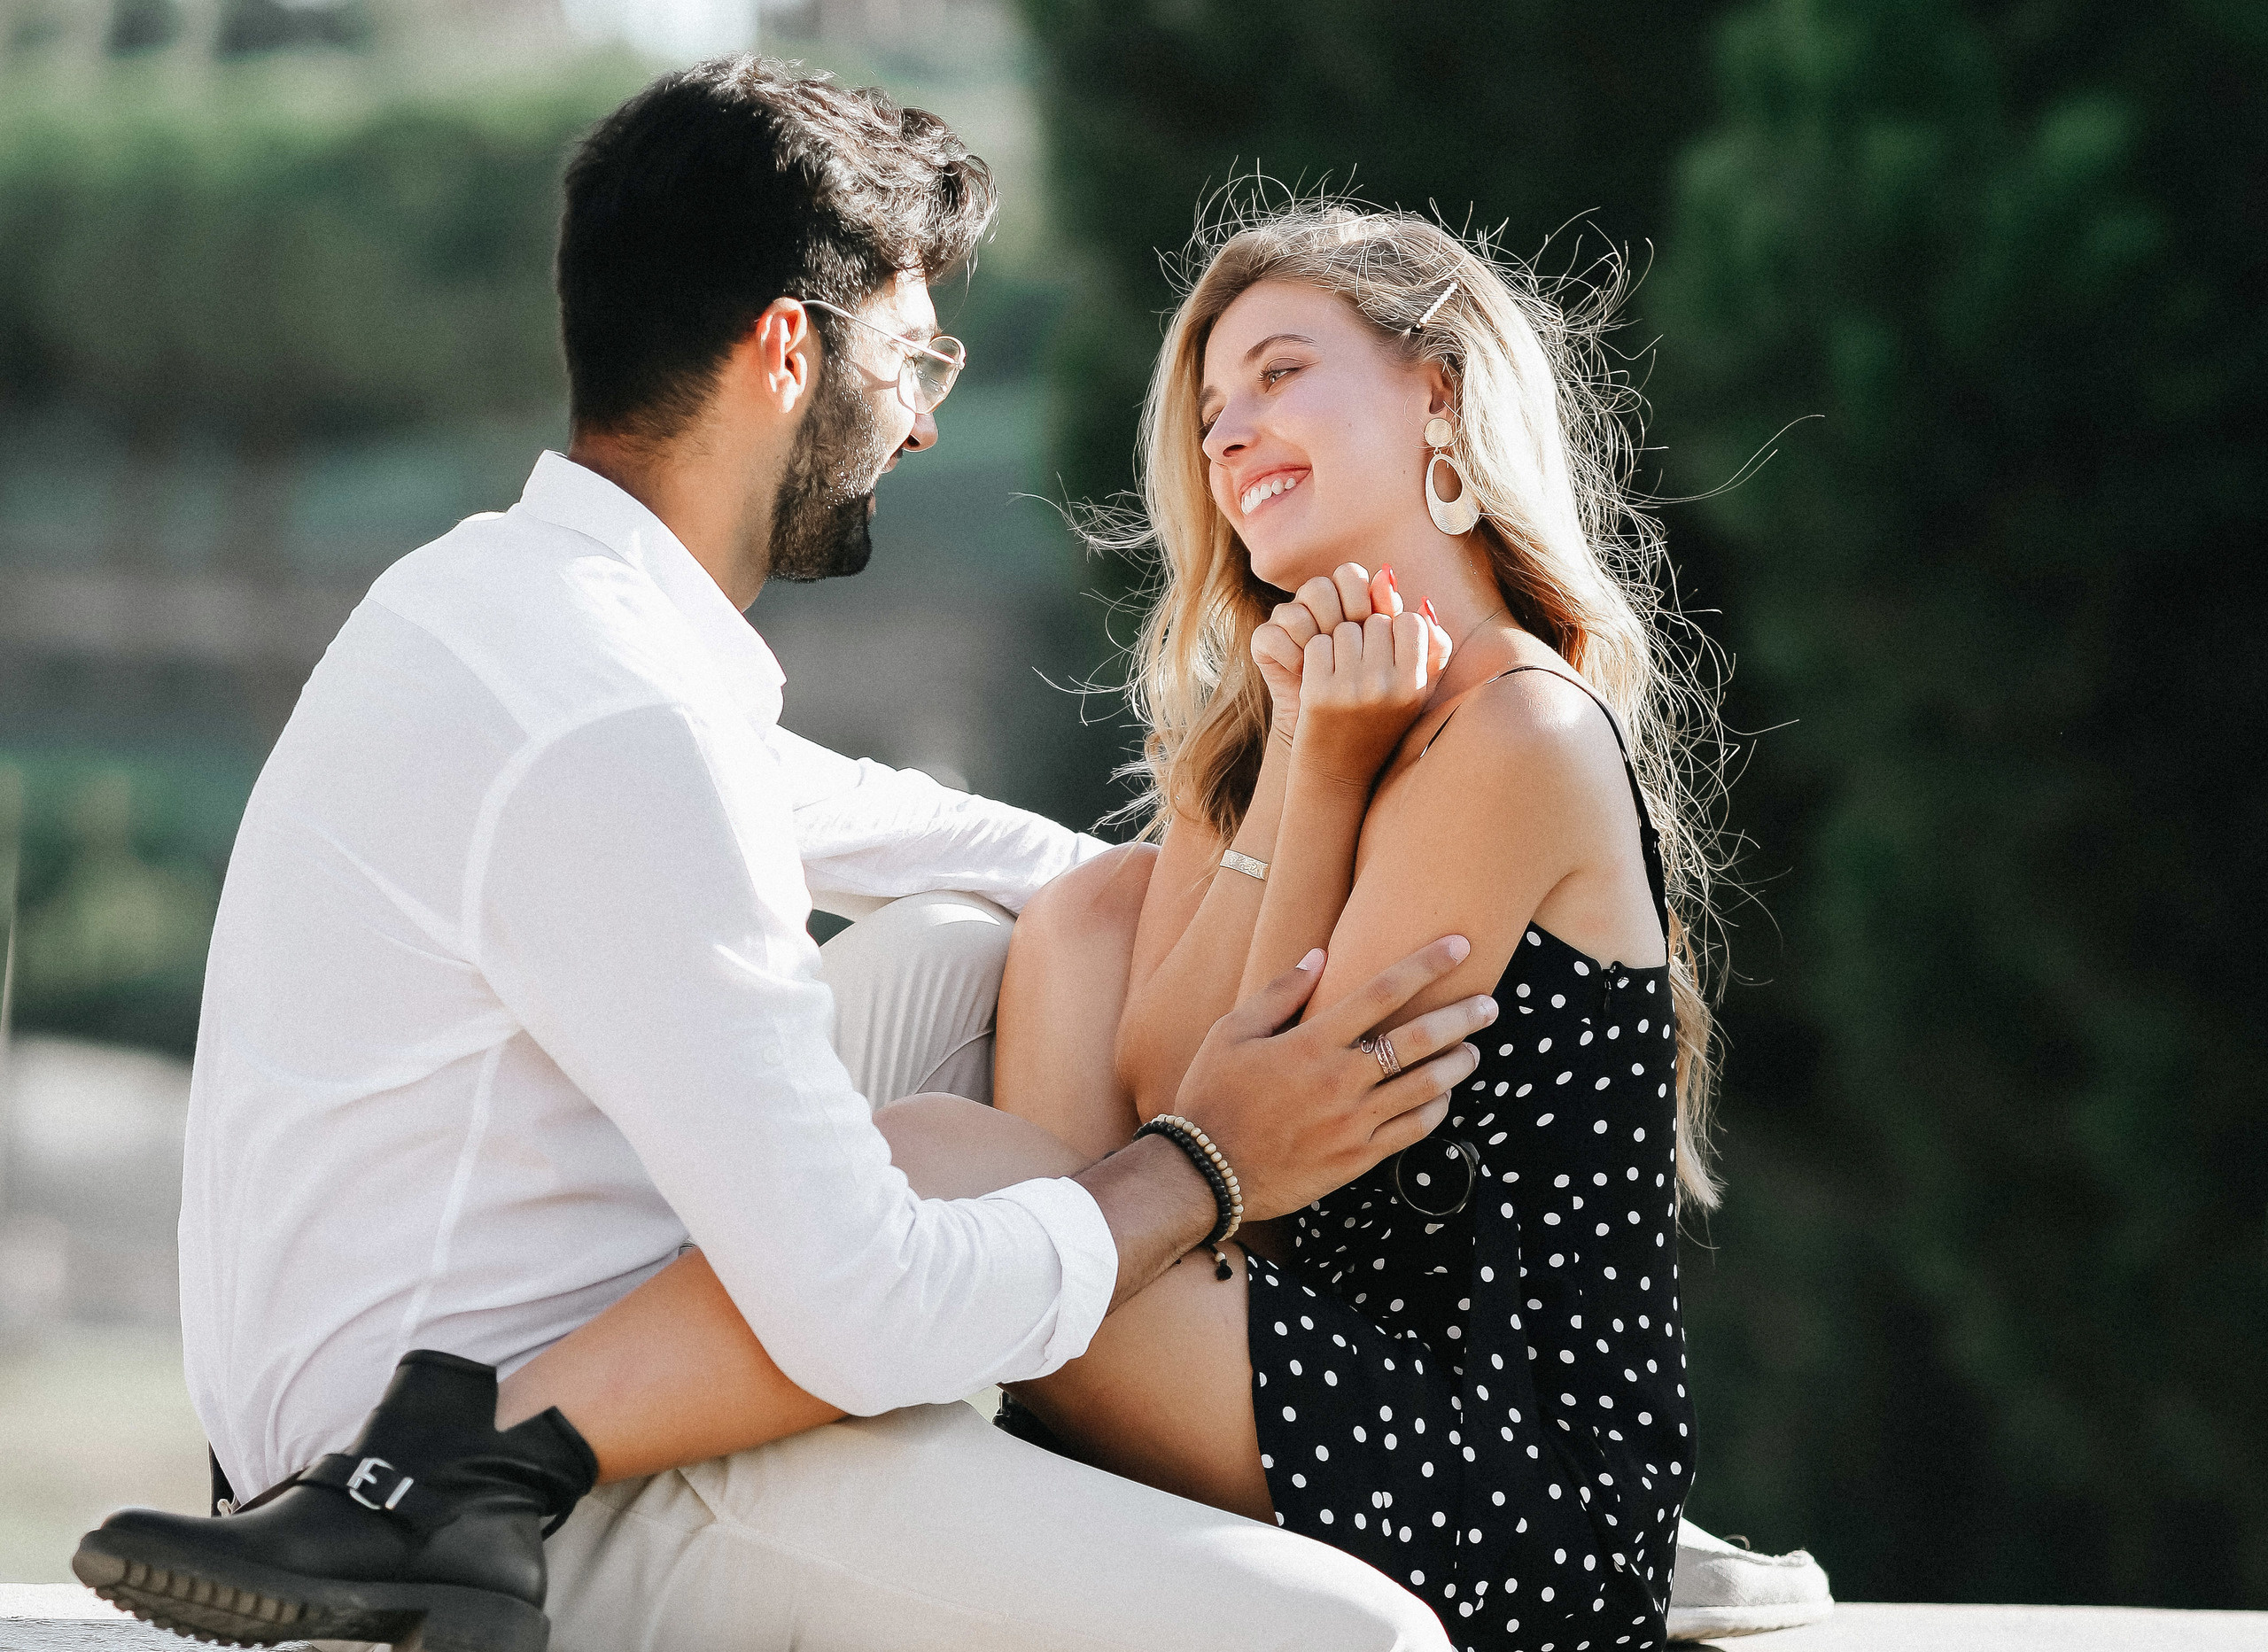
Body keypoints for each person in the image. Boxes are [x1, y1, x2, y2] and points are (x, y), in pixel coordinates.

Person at [73, 61, 1488, 1652]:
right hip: (474, 1489)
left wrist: (1319, 841)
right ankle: (1093, 1451)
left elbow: (951, 842)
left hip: (513, 1333)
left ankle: (1125, 1426)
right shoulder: (618, 730)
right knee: (1359, 1642)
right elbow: (866, 1309)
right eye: (912, 354)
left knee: (977, 950)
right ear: (787, 352)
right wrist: (1208, 1160)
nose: (931, 415)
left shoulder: (507, 607)